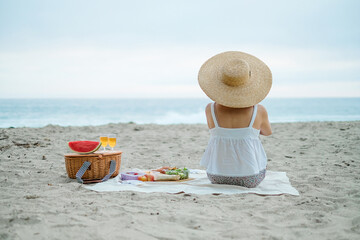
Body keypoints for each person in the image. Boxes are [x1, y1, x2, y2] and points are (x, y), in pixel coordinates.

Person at [198, 51, 272, 188]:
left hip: (216, 176)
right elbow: (267, 132)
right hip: (250, 177)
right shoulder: (259, 110)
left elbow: (214, 130)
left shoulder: (210, 109)